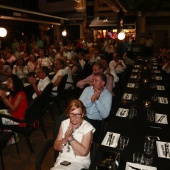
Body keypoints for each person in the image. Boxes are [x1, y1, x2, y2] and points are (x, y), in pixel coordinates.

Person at [51, 99, 95, 170]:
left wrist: (70, 138)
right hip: (62, 161)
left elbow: (83, 153)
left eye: (78, 114)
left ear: (83, 114)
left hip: (79, 163)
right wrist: (65, 139)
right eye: (72, 114)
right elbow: (56, 147)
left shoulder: (87, 128)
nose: (74, 117)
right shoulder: (64, 123)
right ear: (68, 113)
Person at [79, 73, 112, 142]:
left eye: (96, 81)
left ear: (103, 83)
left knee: (86, 140)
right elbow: (78, 105)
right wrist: (91, 101)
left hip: (95, 122)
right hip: (83, 118)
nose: (93, 83)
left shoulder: (108, 95)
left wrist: (97, 100)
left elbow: (105, 115)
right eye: (93, 80)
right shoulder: (87, 90)